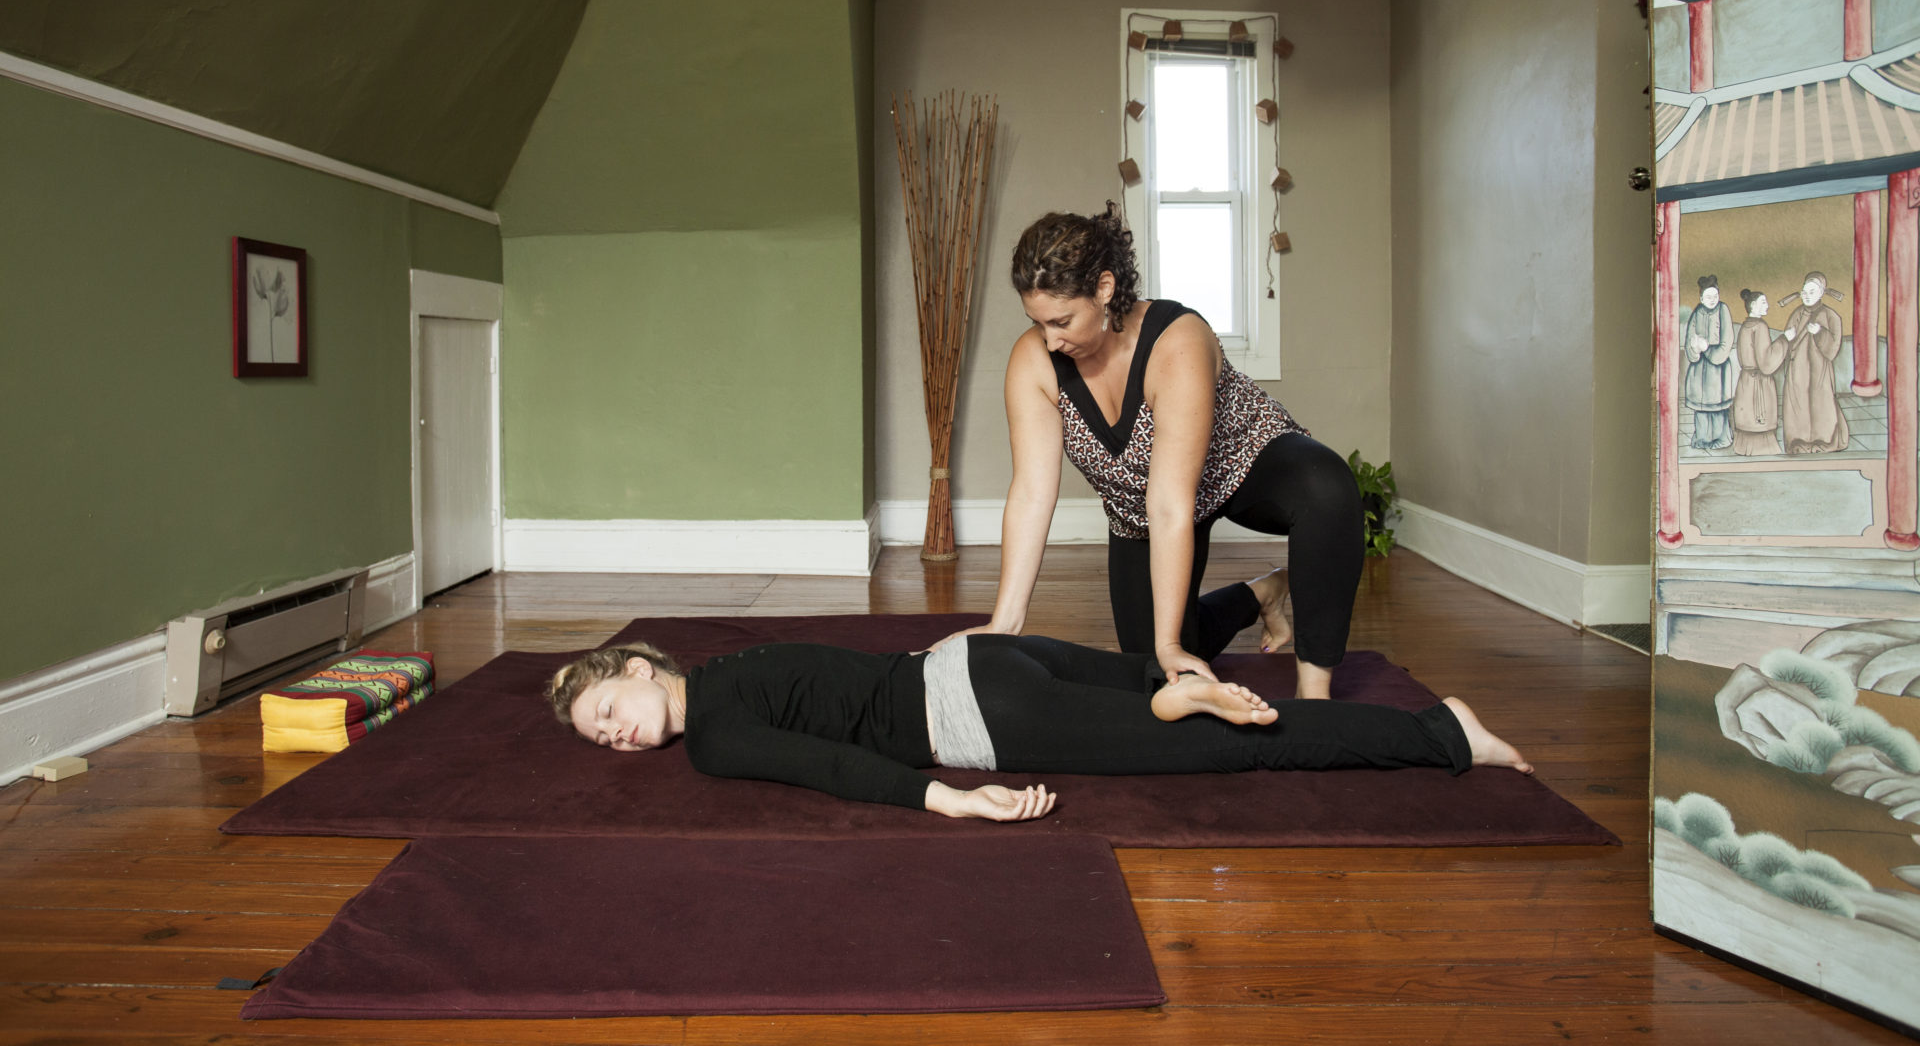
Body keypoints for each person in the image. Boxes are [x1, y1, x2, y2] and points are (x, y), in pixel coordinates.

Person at [947, 205, 1363, 698]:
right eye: (1037, 324)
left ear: (1104, 289)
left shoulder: (1176, 341)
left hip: (1240, 462)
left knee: (1328, 488)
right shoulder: (1033, 362)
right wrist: (1004, 623)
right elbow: (1033, 493)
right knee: (1153, 673)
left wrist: (1169, 641)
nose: (1050, 340)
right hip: (1141, 511)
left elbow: (1172, 502)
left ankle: (1314, 696)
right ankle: (1260, 594)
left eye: (1061, 321)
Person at [546, 635, 1533, 822]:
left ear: (641, 670)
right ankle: (1173, 673)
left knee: (1239, 742)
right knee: (1159, 683)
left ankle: (1443, 733)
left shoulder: (716, 729)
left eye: (608, 713)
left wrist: (950, 800)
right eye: (601, 740)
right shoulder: (737, 664)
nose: (618, 736)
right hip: (980, 655)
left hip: (978, 713)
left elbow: (829, 765)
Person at [1780, 271, 1850, 455]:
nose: (1807, 296)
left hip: (1820, 370)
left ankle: (1824, 441)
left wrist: (1820, 332)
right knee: (1798, 403)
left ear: (1821, 293)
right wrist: (1790, 339)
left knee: (1821, 402)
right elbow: (1788, 340)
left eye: (1812, 292)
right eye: (1804, 292)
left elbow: (1833, 348)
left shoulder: (1831, 316)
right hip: (1798, 369)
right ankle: (1798, 441)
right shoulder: (1796, 314)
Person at [1683, 275, 1736, 450]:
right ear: (1701, 298)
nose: (1712, 300)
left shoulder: (1723, 310)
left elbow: (1727, 340)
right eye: (1708, 297)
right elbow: (1690, 337)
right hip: (1699, 368)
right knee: (1701, 407)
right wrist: (1695, 350)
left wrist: (1709, 350)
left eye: (1715, 296)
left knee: (1718, 408)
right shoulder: (1697, 312)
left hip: (1717, 368)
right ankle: (1702, 438)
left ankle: (1722, 438)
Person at [1732, 288, 1787, 456]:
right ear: (1754, 305)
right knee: (1759, 419)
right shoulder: (1760, 326)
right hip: (1759, 382)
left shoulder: (1746, 325)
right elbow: (1766, 362)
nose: (1768, 306)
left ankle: (1744, 449)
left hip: (1746, 381)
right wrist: (1785, 340)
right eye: (1764, 302)